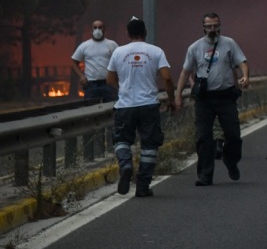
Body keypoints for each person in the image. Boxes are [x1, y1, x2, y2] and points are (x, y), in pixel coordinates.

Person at [175, 13, 250, 186]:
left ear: (220, 26)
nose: (212, 29)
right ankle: (205, 175)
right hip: (205, 100)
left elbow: (242, 62)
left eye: (215, 25)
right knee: (203, 137)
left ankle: (231, 160)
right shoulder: (195, 47)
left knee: (233, 135)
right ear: (203, 28)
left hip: (226, 97)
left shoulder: (229, 43)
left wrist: (245, 76)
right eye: (209, 26)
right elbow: (185, 72)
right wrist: (178, 96)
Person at [105, 17, 177, 198]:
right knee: (149, 145)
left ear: (127, 33)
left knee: (121, 140)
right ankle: (143, 186)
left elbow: (109, 79)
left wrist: (122, 90)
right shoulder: (156, 51)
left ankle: (126, 165)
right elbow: (167, 78)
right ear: (145, 32)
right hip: (149, 106)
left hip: (125, 106)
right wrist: (171, 100)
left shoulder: (118, 52)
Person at [71, 19, 119, 102]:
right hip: (91, 84)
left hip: (109, 83)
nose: (97, 30)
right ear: (91, 30)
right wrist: (81, 76)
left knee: (112, 106)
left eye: (100, 27)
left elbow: (119, 61)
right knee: (90, 107)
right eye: (95, 27)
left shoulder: (112, 44)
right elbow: (74, 63)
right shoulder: (84, 46)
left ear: (104, 29)